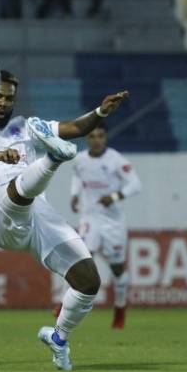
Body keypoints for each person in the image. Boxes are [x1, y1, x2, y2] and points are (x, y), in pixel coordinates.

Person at [0, 69, 128, 370]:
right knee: (15, 191)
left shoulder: (26, 127)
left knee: (88, 281)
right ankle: (53, 159)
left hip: (37, 214)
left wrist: (100, 112)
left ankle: (58, 338)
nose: (4, 103)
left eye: (9, 98)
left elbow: (74, 127)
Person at [70, 123, 141, 329]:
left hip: (113, 222)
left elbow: (136, 184)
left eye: (100, 136)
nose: (96, 140)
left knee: (117, 268)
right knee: (80, 261)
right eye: (92, 136)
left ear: (105, 138)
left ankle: (120, 307)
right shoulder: (80, 160)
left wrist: (116, 196)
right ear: (87, 139)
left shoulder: (116, 160)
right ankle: (67, 306)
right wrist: (74, 195)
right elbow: (77, 177)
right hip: (89, 218)